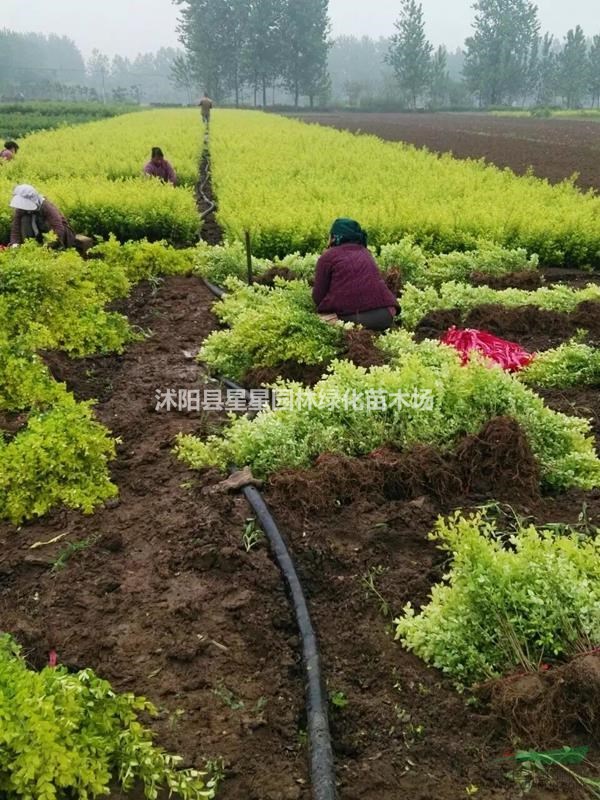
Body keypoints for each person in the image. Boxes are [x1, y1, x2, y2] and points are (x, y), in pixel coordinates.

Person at [312, 219, 398, 331]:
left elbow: (318, 297)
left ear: (335, 237)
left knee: (318, 320)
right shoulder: (365, 252)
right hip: (386, 316)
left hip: (355, 319)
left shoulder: (328, 257)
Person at [9, 184, 78, 249]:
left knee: (46, 222)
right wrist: (15, 243)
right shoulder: (21, 208)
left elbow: (58, 227)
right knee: (25, 220)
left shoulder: (46, 206)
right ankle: (29, 244)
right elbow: (16, 227)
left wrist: (48, 246)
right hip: (39, 234)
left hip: (60, 236)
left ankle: (55, 248)